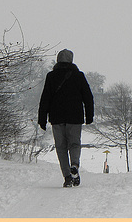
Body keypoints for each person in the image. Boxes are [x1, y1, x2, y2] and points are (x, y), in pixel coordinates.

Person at [38, 49, 94, 188]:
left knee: (61, 147)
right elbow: (88, 97)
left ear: (58, 60)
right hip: (75, 117)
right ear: (71, 60)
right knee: (74, 144)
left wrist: (42, 119)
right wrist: (89, 116)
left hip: (57, 118)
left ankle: (67, 176)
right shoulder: (78, 76)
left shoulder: (51, 76)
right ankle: (74, 164)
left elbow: (45, 98)